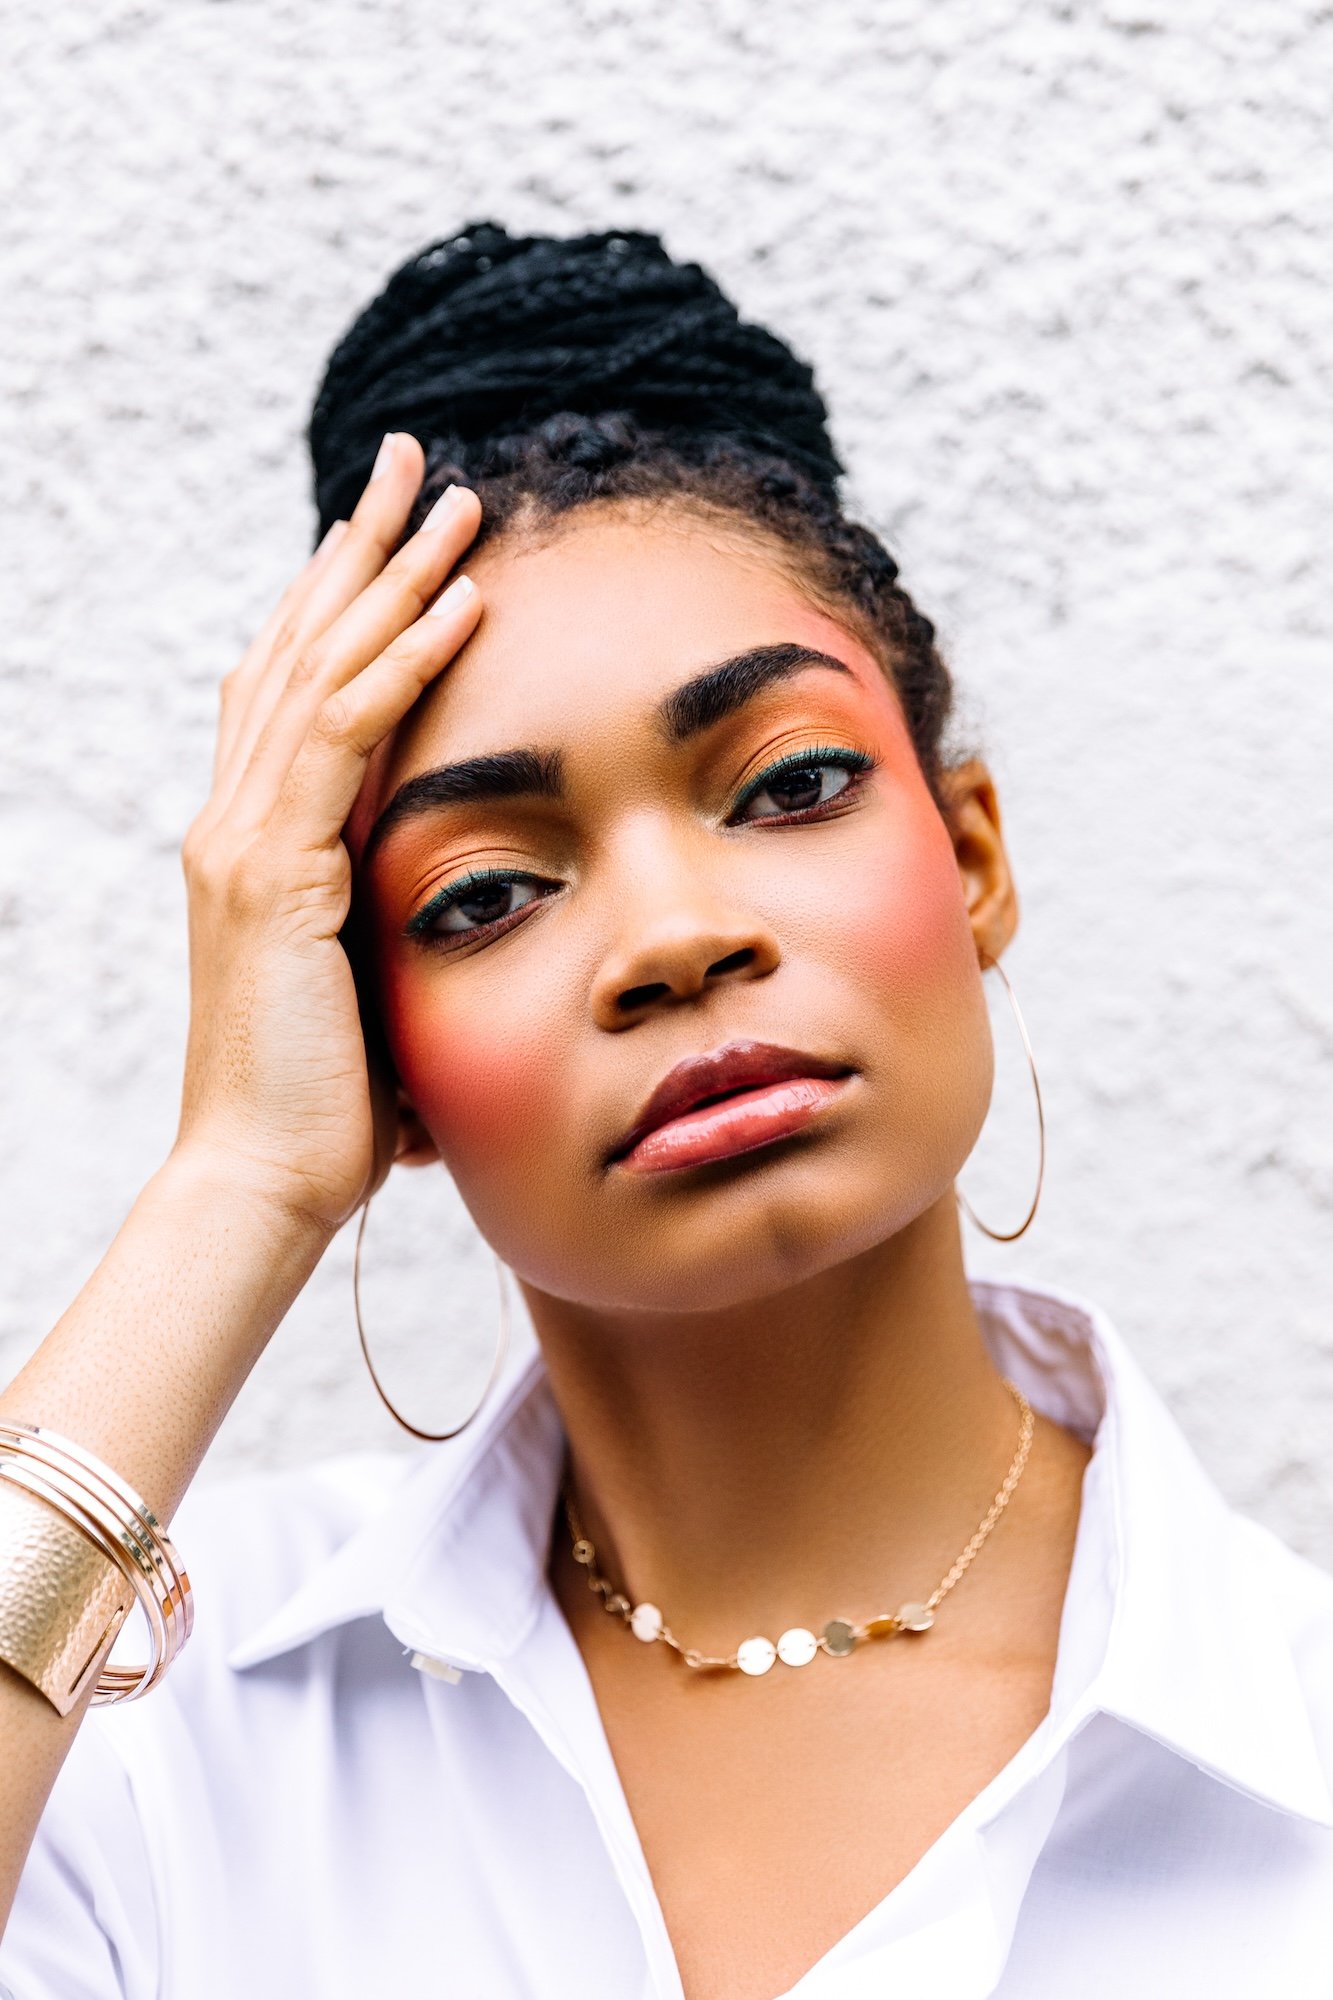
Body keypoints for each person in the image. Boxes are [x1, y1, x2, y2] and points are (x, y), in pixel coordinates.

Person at [0, 221, 1329, 2000]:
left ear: (975, 859)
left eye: (785, 784)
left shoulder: (1288, 1747)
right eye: (483, 893)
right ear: (376, 1055)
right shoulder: (152, 1733)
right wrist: (235, 1184)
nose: (675, 938)